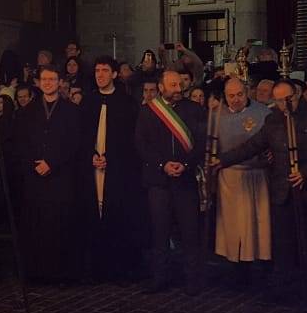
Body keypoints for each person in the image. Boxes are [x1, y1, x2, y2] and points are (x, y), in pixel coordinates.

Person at [214, 80, 307, 304]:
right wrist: (222, 160)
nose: (283, 104)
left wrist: (306, 173)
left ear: (297, 94)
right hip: (283, 191)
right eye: (278, 100)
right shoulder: (273, 120)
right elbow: (252, 146)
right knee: (284, 244)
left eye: (286, 99)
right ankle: (286, 292)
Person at [136, 70, 207, 294]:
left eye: (179, 84)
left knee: (190, 232)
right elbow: (141, 145)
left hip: (185, 180)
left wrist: (185, 165)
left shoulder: (195, 110)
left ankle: (193, 280)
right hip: (159, 181)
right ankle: (160, 278)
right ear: (161, 87)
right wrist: (162, 165)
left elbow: (202, 143)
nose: (178, 89)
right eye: (173, 85)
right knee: (160, 232)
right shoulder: (148, 112)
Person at [13, 67, 81, 283]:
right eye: (45, 79)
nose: (49, 83)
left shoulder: (71, 111)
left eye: (52, 79)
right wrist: (36, 164)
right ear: (38, 83)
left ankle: (60, 273)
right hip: (35, 175)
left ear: (60, 82)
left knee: (60, 225)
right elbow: (20, 142)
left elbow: (74, 143)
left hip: (60, 176)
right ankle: (36, 272)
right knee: (36, 224)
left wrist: (52, 162)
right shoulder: (26, 111)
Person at [79, 56, 144, 282]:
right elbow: (80, 137)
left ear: (115, 74)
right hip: (92, 169)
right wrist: (91, 157)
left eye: (105, 70)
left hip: (118, 172)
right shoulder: (88, 102)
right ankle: (96, 268)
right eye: (97, 70)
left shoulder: (127, 103)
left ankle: (119, 269)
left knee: (118, 216)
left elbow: (131, 142)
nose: (100, 75)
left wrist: (112, 160)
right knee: (93, 217)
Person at [212, 77, 271, 284]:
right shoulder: (216, 115)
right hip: (230, 176)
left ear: (247, 92)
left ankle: (260, 267)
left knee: (258, 225)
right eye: (231, 96)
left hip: (257, 175)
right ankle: (235, 267)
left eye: (240, 95)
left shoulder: (263, 113)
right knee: (233, 225)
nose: (236, 100)